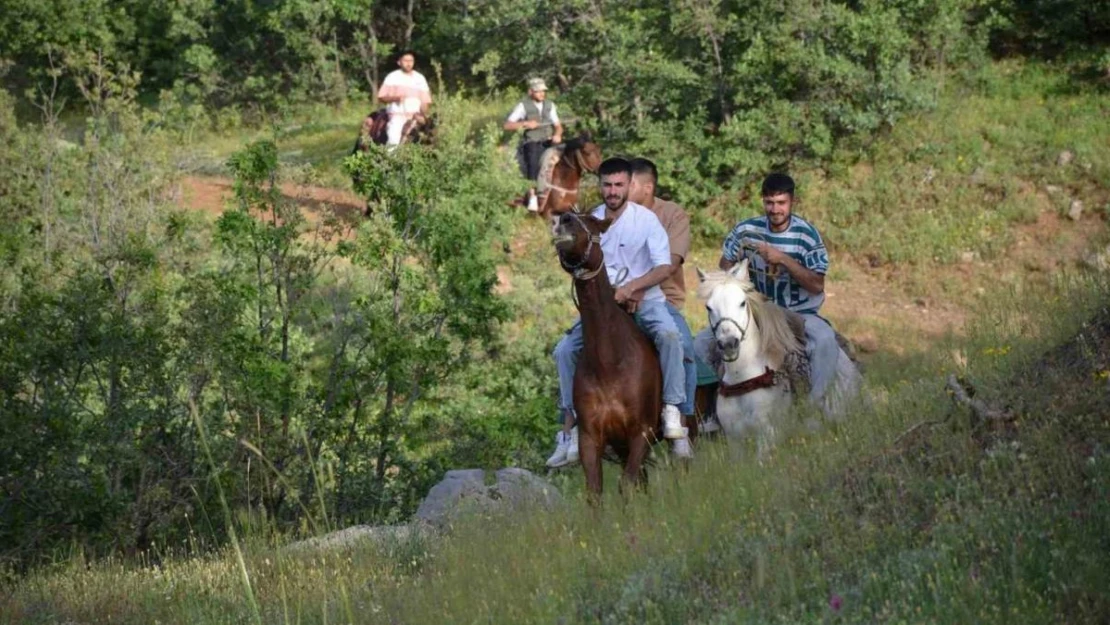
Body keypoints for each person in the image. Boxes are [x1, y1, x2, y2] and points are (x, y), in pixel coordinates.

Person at [546, 157, 693, 468]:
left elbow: (664, 265)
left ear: (630, 186)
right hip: (604, 307)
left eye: (618, 185)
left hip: (647, 300)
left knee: (669, 336)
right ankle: (570, 429)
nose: (612, 191)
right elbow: (577, 262)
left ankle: (672, 411)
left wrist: (634, 288)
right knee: (563, 351)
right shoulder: (591, 220)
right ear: (599, 186)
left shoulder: (645, 220)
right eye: (607, 185)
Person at [696, 172, 840, 410]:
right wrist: (738, 271)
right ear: (763, 201)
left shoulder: (806, 235)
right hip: (758, 308)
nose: (775, 209)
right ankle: (710, 408)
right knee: (700, 342)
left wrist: (783, 259)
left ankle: (816, 404)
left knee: (825, 340)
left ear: (792, 202)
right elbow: (724, 267)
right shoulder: (746, 230)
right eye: (769, 203)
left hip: (799, 311)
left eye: (781, 203)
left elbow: (816, 285)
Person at [626, 157, 699, 447]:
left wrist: (639, 288)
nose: (621, 189)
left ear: (647, 187)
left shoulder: (672, 215)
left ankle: (682, 419)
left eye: (629, 183)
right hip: (621, 299)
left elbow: (670, 262)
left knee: (685, 347)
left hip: (663, 298)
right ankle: (572, 428)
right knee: (570, 348)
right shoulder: (617, 215)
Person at [503, 78, 563, 212]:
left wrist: (557, 135)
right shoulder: (523, 106)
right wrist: (525, 124)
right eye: (538, 91)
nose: (542, 94)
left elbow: (558, 126)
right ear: (531, 92)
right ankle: (532, 196)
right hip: (532, 142)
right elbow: (507, 125)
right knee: (533, 162)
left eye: (543, 91)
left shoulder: (550, 105)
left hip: (549, 140)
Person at [376, 51, 432, 148]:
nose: (409, 63)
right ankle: (391, 160)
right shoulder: (392, 77)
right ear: (399, 62)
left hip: (415, 116)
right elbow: (381, 97)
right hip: (398, 115)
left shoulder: (420, 78)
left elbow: (425, 100)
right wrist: (395, 98)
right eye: (405, 60)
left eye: (411, 60)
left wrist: (423, 114)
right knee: (394, 138)